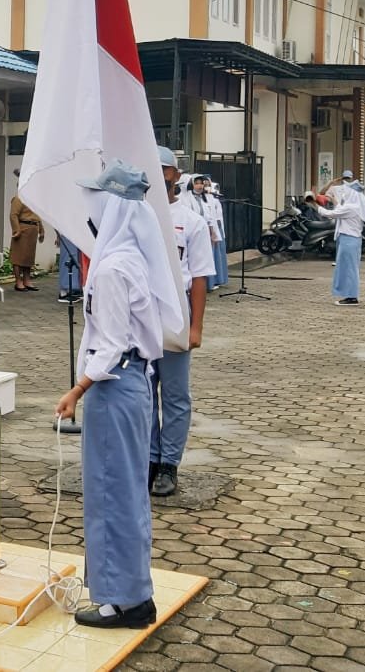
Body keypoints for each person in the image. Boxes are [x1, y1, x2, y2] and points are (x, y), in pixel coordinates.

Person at [54, 159, 180, 630]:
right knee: (127, 493)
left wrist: (76, 390)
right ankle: (133, 594)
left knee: (109, 493)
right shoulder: (134, 259)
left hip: (114, 385)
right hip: (135, 384)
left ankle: (120, 602)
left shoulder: (110, 269)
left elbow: (109, 346)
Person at [151, 148, 214, 498]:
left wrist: (196, 327)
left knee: (175, 395)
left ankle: (168, 464)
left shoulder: (190, 221)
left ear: (175, 175)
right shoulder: (140, 215)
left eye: (163, 170)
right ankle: (148, 459)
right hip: (143, 314)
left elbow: (201, 276)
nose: (158, 176)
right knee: (143, 393)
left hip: (176, 313)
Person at [314, 177, 365, 306]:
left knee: (349, 269)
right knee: (347, 268)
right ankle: (349, 295)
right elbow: (340, 208)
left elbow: (330, 214)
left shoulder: (351, 207)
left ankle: (351, 297)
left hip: (348, 240)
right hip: (351, 239)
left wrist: (314, 205)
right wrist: (334, 200)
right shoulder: (355, 206)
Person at [189, 176, 227, 290]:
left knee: (206, 257)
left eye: (202, 184)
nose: (200, 186)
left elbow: (209, 216)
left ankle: (209, 283)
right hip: (194, 231)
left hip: (205, 230)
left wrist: (212, 232)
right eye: (197, 183)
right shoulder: (189, 198)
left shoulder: (204, 198)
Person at [7, 185, 45, 292]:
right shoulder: (18, 198)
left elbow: (38, 216)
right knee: (18, 257)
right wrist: (16, 230)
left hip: (33, 229)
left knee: (28, 257)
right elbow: (13, 215)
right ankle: (18, 281)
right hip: (22, 228)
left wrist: (42, 230)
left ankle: (27, 280)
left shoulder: (33, 200)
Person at [56, 233, 82, 304]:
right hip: (67, 233)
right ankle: (63, 293)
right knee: (68, 259)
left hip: (74, 234)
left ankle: (73, 289)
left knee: (75, 259)